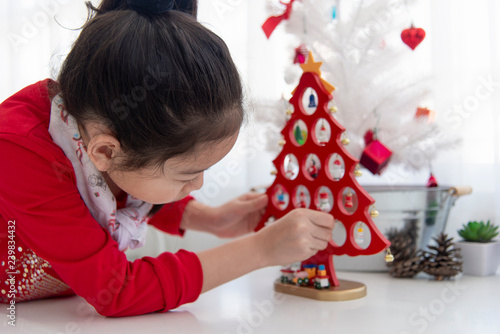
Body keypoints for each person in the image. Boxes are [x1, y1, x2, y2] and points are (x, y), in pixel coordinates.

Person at [0, 0, 334, 317]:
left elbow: (124, 179)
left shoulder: (101, 130)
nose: (198, 184)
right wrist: (260, 250)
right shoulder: (17, 153)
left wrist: (209, 219)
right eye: (186, 173)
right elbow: (116, 291)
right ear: (104, 151)